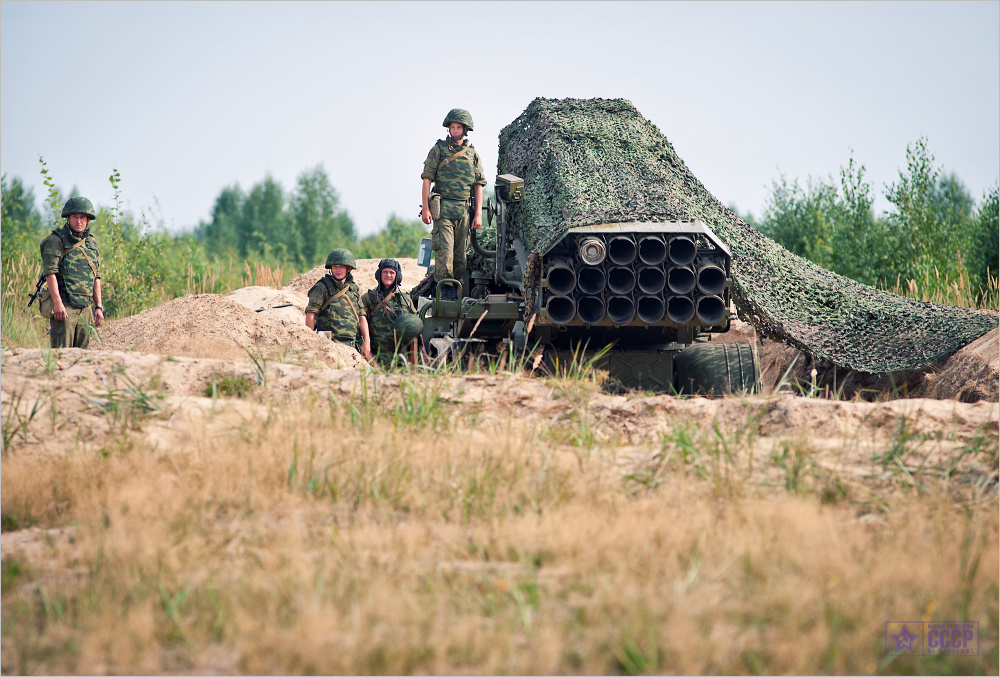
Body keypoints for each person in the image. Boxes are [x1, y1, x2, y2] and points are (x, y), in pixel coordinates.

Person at [420, 108, 487, 301]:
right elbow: (427, 180)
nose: (455, 130)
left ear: (465, 130)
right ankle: (446, 296)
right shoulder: (438, 150)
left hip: (464, 212)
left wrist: (478, 215)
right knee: (445, 255)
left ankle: (456, 293)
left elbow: (478, 185)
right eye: (452, 127)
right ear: (448, 128)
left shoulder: (473, 154)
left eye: (458, 127)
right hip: (443, 212)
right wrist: (425, 208)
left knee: (460, 258)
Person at [39, 196, 104, 349]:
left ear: (88, 219)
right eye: (75, 216)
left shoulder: (91, 243)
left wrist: (99, 307)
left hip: (85, 308)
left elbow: (96, 277)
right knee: (60, 355)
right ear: (68, 218)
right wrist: (57, 303)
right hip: (65, 306)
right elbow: (50, 273)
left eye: (82, 217)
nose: (79, 221)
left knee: (81, 358)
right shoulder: (56, 240)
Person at [305, 249, 371, 360]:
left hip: (351, 346)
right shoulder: (322, 287)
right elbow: (311, 314)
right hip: (328, 345)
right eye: (335, 267)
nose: (338, 270)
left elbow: (361, 317)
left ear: (348, 269)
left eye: (341, 267)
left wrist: (367, 341)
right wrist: (309, 341)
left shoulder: (353, 289)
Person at [361, 258, 422, 365]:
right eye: (385, 272)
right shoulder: (369, 298)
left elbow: (415, 331)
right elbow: (360, 324)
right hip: (374, 358)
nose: (388, 275)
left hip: (401, 359)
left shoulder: (405, 300)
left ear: (397, 276)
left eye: (392, 272)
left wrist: (412, 362)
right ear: (379, 274)